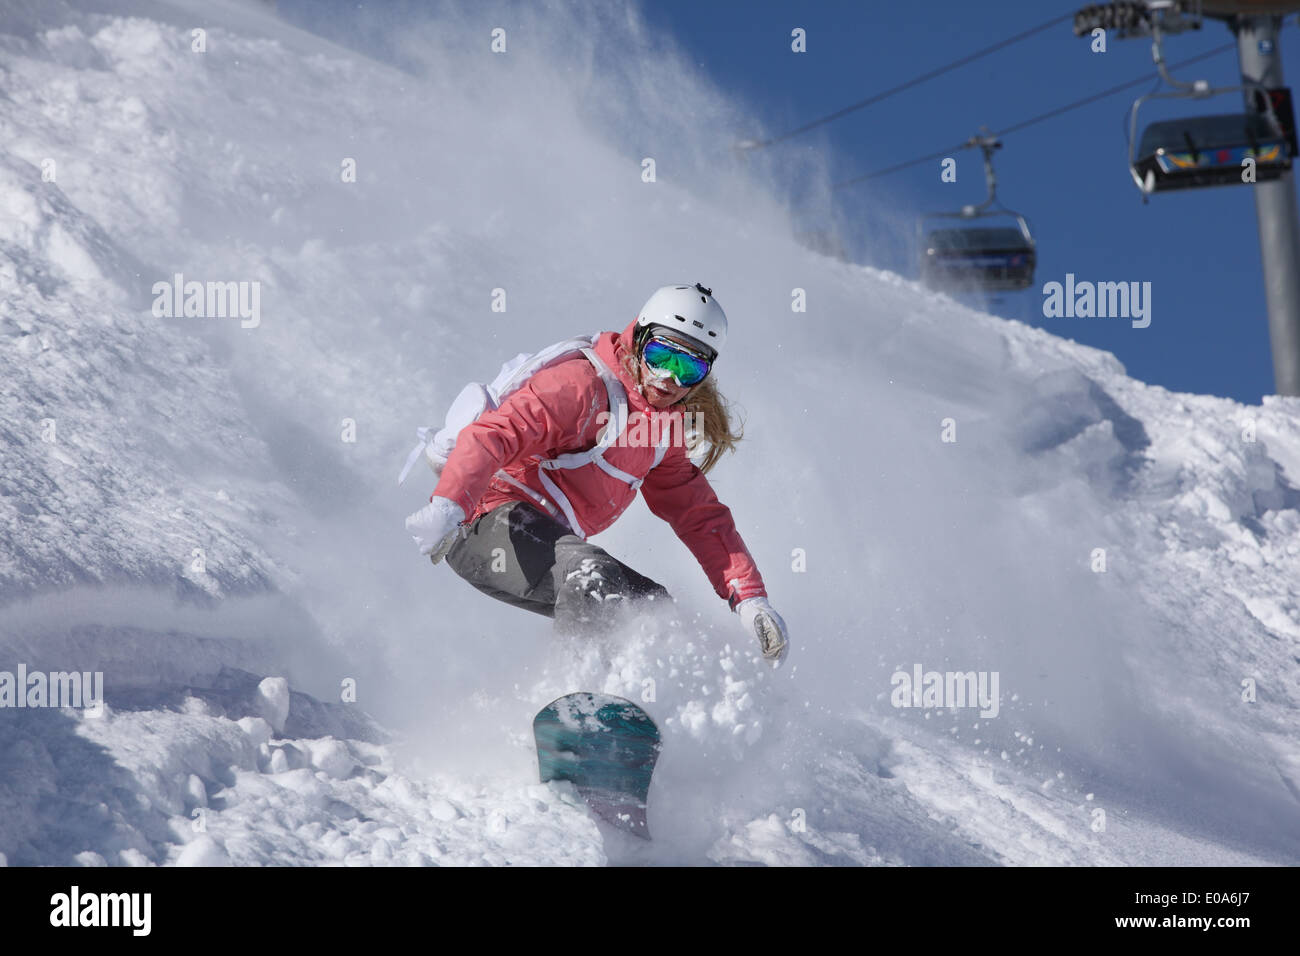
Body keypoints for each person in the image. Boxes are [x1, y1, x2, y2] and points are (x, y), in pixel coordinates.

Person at [405, 284, 790, 662]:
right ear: (639, 338)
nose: (670, 379)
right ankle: (580, 695)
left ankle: (640, 710)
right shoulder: (582, 385)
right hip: (480, 522)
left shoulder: (659, 434)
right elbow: (495, 435)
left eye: (688, 368)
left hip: (542, 543)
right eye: (661, 356)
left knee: (654, 610)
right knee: (594, 576)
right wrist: (448, 505)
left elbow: (698, 516)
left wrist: (750, 600)